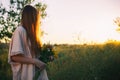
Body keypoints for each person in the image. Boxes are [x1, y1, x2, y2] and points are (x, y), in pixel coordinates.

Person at [8, 5, 48, 80]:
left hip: (34, 74)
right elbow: (14, 57)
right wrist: (35, 61)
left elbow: (31, 55)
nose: (37, 20)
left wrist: (45, 57)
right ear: (31, 17)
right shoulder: (20, 31)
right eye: (36, 17)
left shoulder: (30, 33)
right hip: (25, 75)